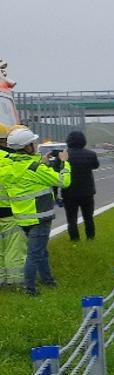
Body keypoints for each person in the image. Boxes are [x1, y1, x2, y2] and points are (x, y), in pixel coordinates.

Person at [2, 127, 70, 296]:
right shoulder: (36, 169)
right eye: (32, 143)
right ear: (27, 147)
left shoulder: (8, 167)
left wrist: (41, 161)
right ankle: (30, 289)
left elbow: (25, 170)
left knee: (40, 251)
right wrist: (65, 163)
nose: (35, 144)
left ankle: (48, 280)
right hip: (40, 216)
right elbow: (64, 181)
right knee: (34, 254)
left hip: (22, 217)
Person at [61, 131, 100, 242]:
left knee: (71, 219)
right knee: (88, 217)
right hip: (87, 192)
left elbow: (57, 172)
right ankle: (90, 238)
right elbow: (95, 166)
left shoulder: (63, 155)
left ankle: (74, 239)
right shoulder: (91, 154)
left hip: (68, 192)